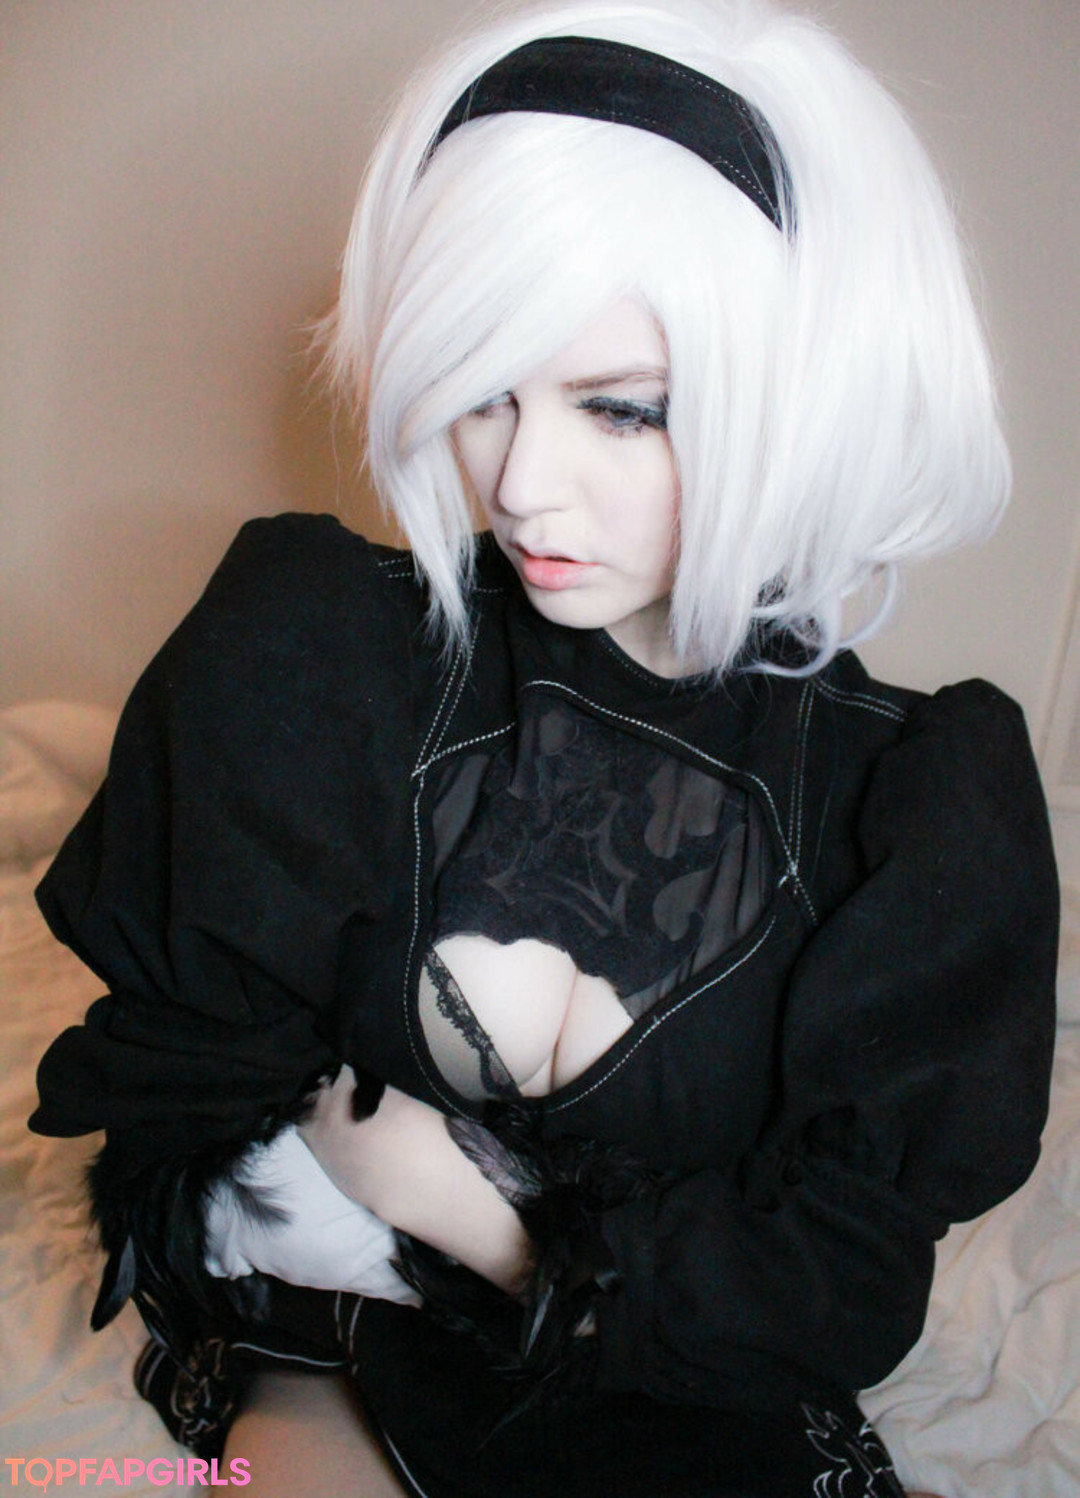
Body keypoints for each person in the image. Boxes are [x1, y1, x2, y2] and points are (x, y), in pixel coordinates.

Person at [29, 1, 1058, 1495]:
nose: (521, 484)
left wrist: (459, 1202)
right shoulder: (325, 650)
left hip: (677, 1405)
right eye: (480, 393)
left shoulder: (907, 804)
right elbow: (183, 1128)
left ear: (793, 407)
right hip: (335, 1347)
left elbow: (832, 1288)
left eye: (623, 411)